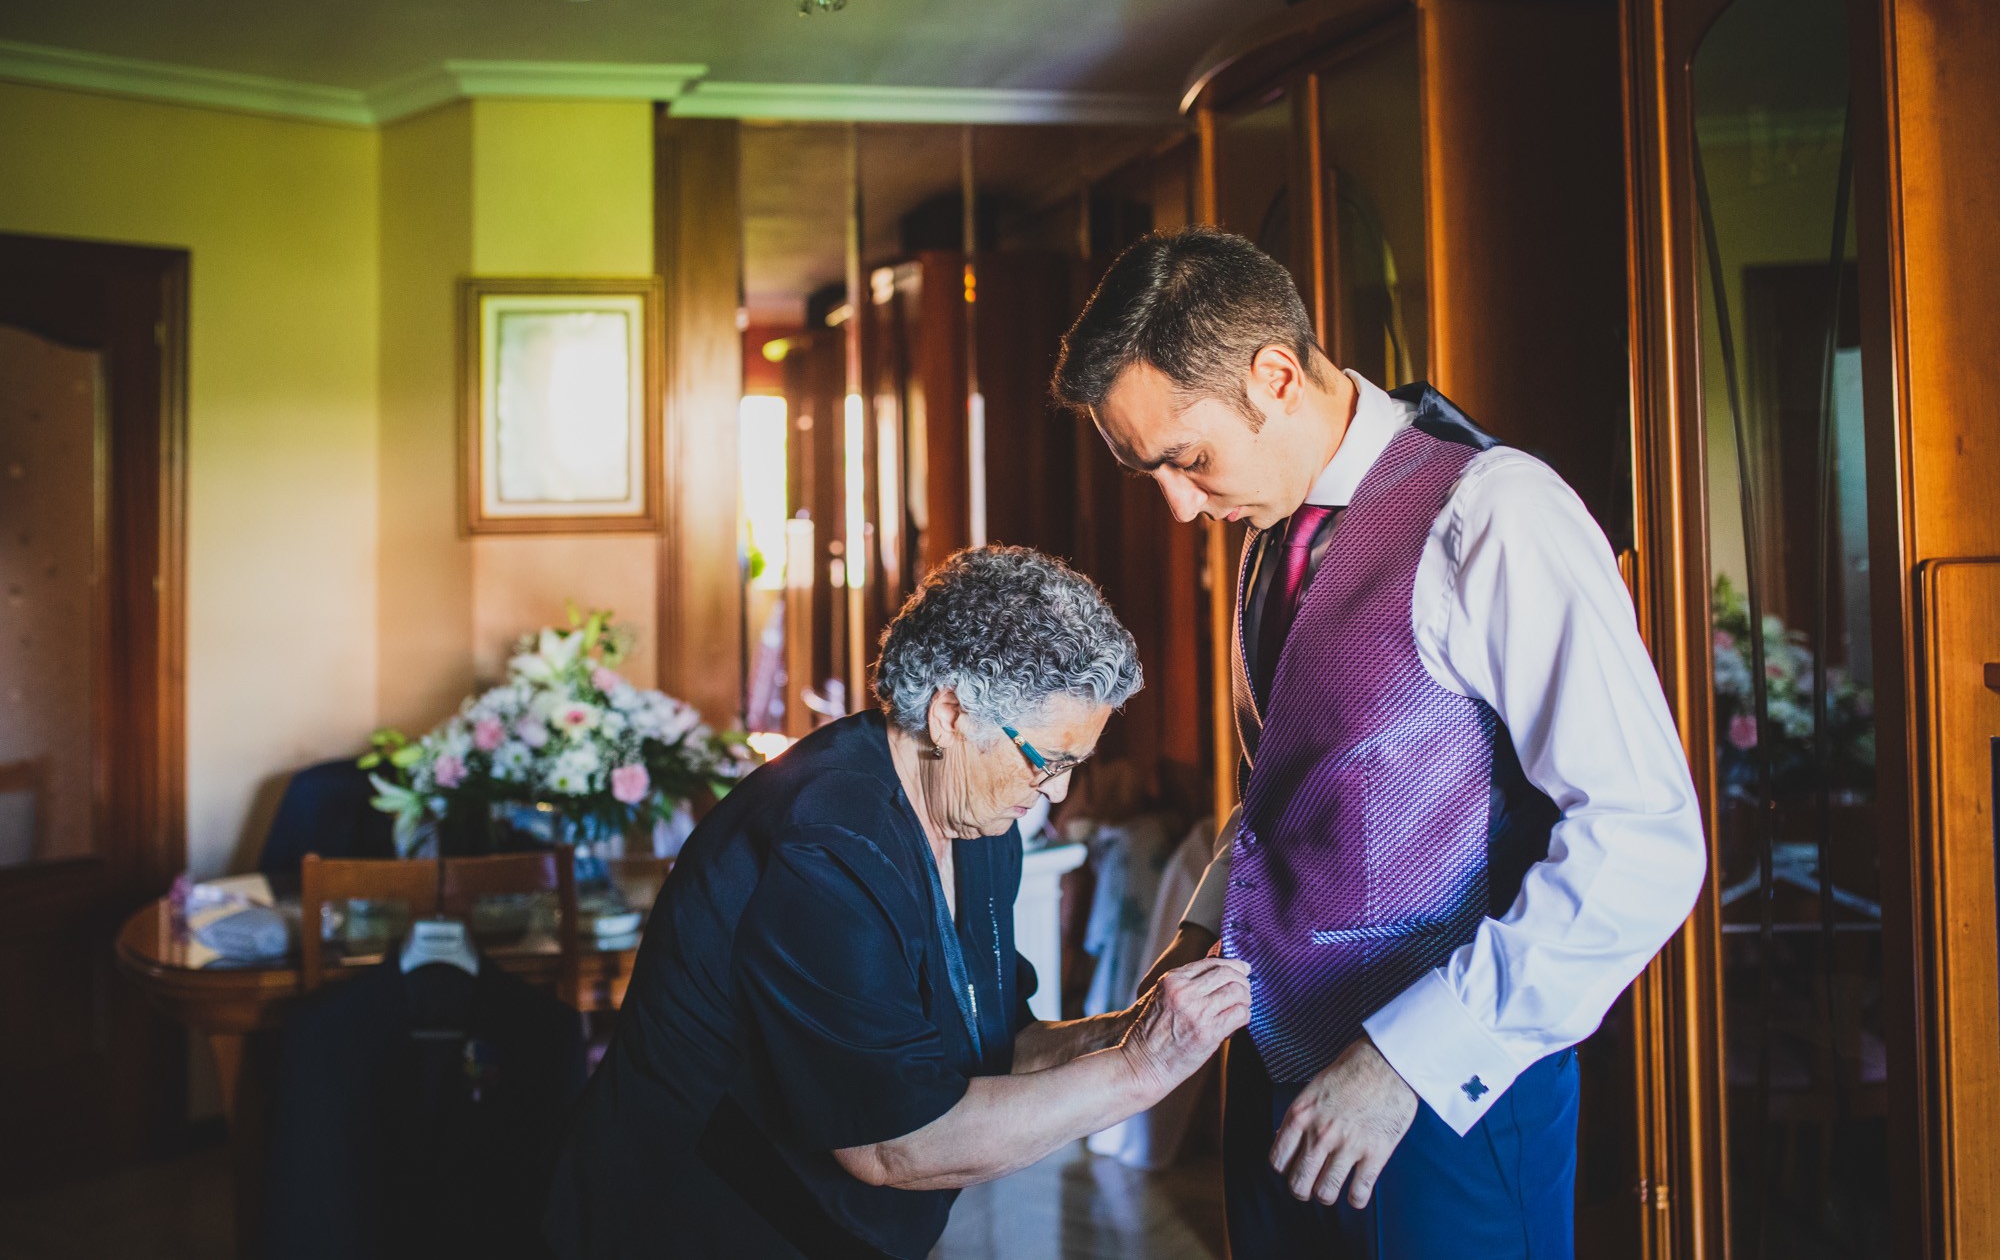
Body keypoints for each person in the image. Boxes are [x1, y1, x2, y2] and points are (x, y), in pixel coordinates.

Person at [1052, 227, 1705, 1258]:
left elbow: (1642, 840)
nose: (1179, 505)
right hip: (1275, 1095)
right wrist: (1201, 929)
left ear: (1272, 374)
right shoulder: (1275, 535)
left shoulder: (1494, 514)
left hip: (1448, 1110)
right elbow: (1296, 793)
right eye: (1152, 473)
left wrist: (1406, 1060)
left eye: (1186, 459)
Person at [544, 546, 1251, 1260]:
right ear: (950, 714)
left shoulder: (978, 820)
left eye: (1074, 764)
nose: (1059, 793)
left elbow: (997, 1045)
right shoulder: (824, 841)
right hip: (692, 1222)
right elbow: (894, 1142)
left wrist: (1131, 1031)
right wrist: (1141, 1070)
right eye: (1048, 760)